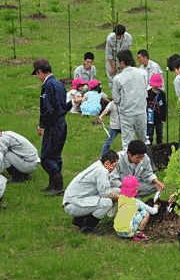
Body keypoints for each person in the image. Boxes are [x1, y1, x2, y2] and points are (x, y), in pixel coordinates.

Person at [32, 58, 71, 196]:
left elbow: (48, 109)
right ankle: (53, 184)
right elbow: (64, 105)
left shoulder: (48, 86)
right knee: (56, 154)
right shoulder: (59, 84)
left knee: (46, 157)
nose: (37, 78)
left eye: (36, 74)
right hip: (61, 123)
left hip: (53, 125)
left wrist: (42, 125)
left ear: (40, 72)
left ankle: (58, 186)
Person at [62, 150, 120, 235]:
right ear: (107, 163)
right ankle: (87, 228)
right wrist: (122, 199)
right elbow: (106, 193)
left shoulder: (99, 166)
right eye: (114, 165)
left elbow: (108, 188)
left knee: (117, 191)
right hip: (72, 205)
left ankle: (79, 220)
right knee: (107, 203)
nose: (114, 168)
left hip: (77, 200)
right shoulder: (101, 171)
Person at [112, 50, 148, 150]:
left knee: (127, 142)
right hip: (141, 111)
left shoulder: (118, 78)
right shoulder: (143, 73)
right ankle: (147, 163)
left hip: (126, 113)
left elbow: (116, 99)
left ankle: (127, 164)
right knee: (143, 139)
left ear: (122, 62)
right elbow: (145, 89)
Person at [114, 175, 160, 240]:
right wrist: (156, 207)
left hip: (117, 230)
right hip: (128, 231)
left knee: (132, 213)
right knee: (145, 213)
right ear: (135, 190)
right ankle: (138, 233)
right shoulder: (135, 201)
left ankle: (123, 233)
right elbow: (153, 211)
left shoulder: (121, 198)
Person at [105, 24, 132, 92]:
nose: (118, 37)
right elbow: (109, 54)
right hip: (112, 60)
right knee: (112, 80)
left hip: (122, 60)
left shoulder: (128, 38)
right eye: (117, 36)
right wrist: (112, 67)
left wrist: (123, 64)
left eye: (120, 36)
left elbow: (126, 52)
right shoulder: (110, 39)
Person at [146, 74, 167, 145]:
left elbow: (164, 107)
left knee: (159, 134)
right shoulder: (148, 93)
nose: (155, 86)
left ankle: (159, 146)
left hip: (159, 118)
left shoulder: (162, 94)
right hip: (149, 118)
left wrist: (163, 118)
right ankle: (149, 147)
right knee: (149, 134)